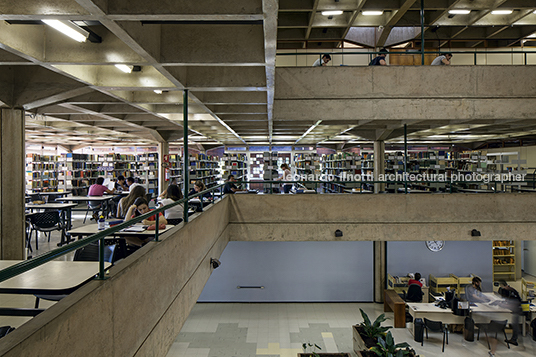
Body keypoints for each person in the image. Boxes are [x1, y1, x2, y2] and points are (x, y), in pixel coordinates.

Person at [498, 280, 521, 346]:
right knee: (514, 324)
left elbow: (509, 301)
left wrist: (502, 304)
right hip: (516, 308)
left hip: (516, 309)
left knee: (515, 324)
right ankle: (514, 338)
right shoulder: (511, 289)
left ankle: (514, 340)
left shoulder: (508, 291)